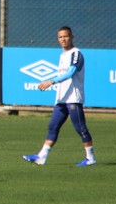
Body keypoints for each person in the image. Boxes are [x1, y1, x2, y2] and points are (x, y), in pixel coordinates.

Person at [23, 26, 96, 166]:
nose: (63, 39)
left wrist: (51, 81)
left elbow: (71, 72)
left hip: (73, 98)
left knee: (80, 128)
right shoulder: (62, 55)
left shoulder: (76, 54)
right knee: (53, 126)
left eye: (65, 36)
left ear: (72, 37)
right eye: (60, 37)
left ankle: (90, 158)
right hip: (62, 99)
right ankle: (41, 156)